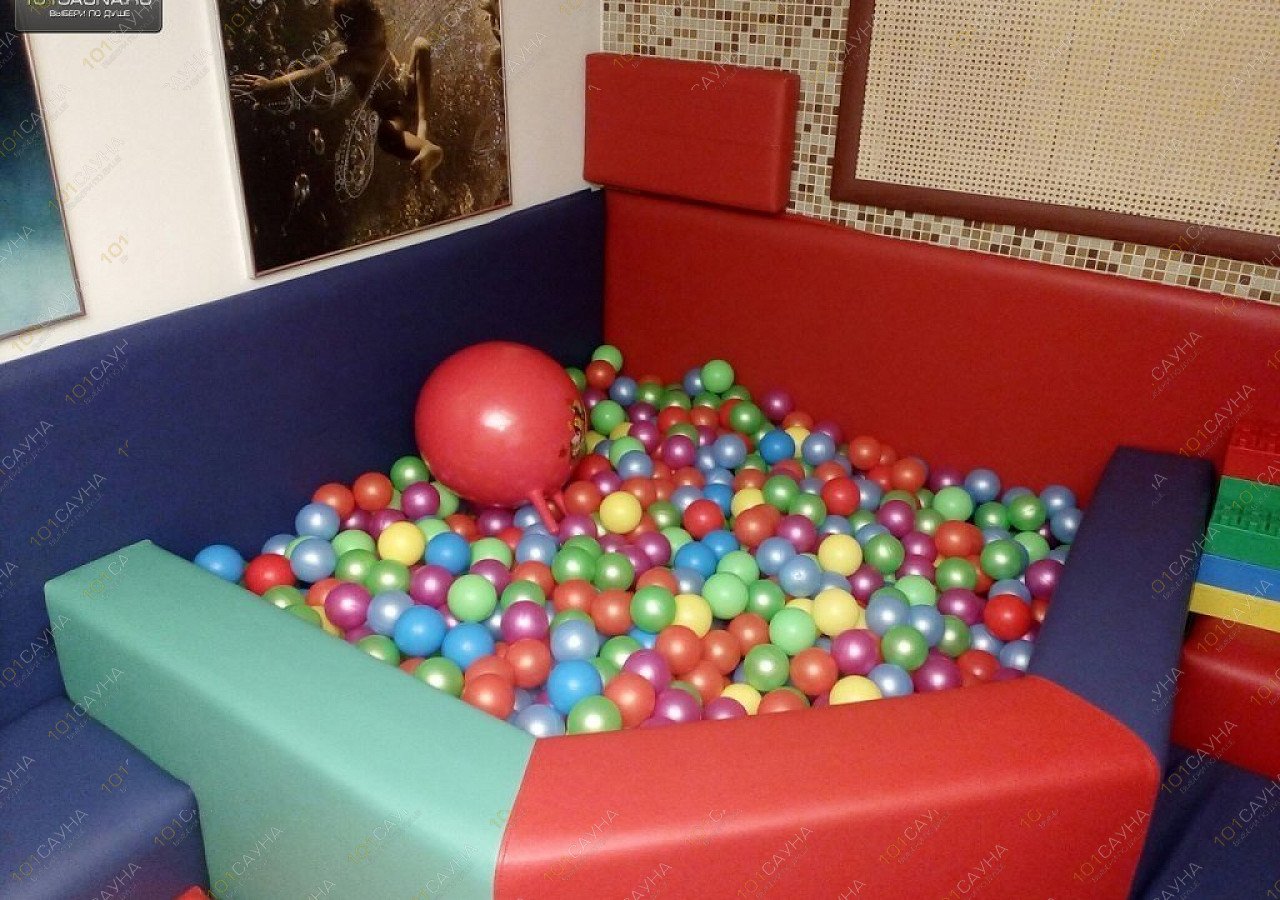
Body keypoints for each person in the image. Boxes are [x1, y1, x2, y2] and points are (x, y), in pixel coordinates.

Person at [231, 0, 443, 179]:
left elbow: (310, 75)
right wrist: (272, 86)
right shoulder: (374, 48)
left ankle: (426, 145)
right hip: (408, 98)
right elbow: (310, 75)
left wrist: (269, 87)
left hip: (396, 113)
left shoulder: (358, 58)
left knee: (385, 134)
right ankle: (424, 133)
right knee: (421, 44)